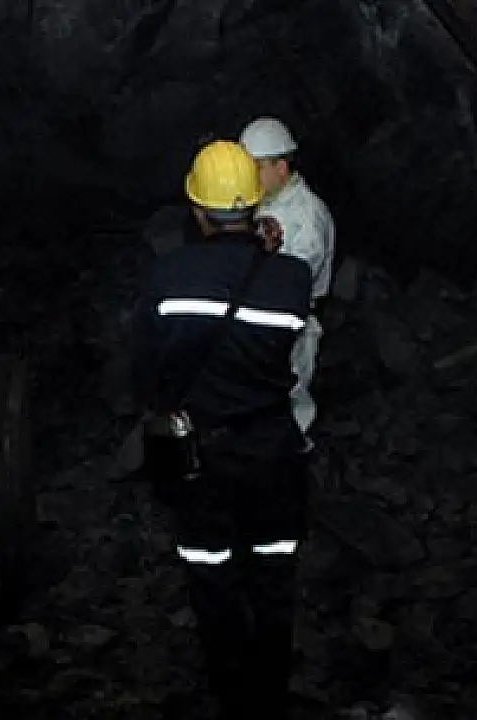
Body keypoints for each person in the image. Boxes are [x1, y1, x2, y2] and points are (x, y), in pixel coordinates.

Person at [131, 139, 313, 719]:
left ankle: (230, 694)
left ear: (197, 209)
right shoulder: (291, 279)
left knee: (211, 573)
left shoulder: (166, 276)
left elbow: (144, 365)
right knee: (274, 571)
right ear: (257, 204)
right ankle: (271, 694)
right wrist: (263, 256)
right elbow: (287, 342)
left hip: (198, 456)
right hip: (270, 451)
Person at [239, 117, 336, 438]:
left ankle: (295, 450)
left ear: (281, 167)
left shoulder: (306, 218)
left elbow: (294, 283)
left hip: (291, 328)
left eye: (255, 167)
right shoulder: (265, 202)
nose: (247, 176)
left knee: (289, 401)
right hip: (261, 320)